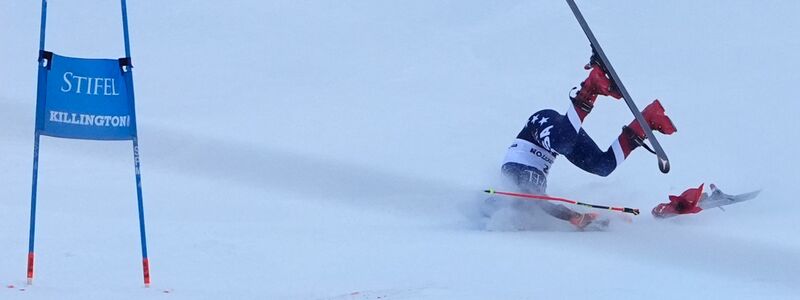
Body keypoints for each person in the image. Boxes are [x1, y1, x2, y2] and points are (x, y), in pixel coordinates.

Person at [497, 58, 677, 229]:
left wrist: (574, 217)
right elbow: (544, 203)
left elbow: (538, 201)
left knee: (563, 144)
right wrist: (593, 220)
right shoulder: (532, 197)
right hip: (559, 139)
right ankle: (645, 122)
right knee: (603, 167)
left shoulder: (514, 184)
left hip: (539, 126)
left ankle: (590, 87)